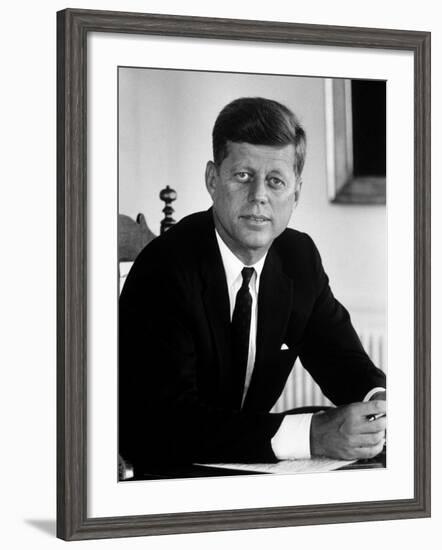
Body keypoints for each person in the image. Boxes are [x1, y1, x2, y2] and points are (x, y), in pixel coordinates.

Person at [119, 97, 386, 471]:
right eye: (243, 175)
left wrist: (383, 408)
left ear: (296, 192)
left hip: (253, 471)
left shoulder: (299, 257)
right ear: (213, 179)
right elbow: (165, 425)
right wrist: (310, 435)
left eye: (276, 181)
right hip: (168, 477)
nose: (259, 195)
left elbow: (344, 363)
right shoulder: (164, 269)